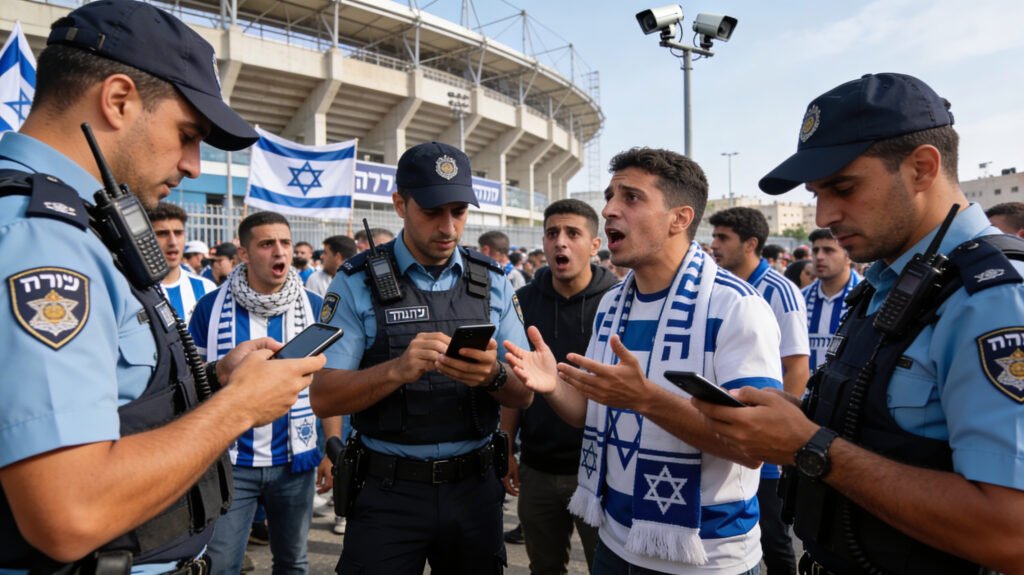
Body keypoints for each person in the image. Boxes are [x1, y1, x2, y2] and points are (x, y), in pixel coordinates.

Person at [0, 1, 325, 572]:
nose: (194, 165)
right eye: (187, 134)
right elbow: (69, 511)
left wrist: (214, 380)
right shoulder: (42, 236)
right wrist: (237, 408)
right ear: (118, 100)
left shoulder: (76, 222)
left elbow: (115, 399)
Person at [695, 73, 1024, 574]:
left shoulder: (995, 299)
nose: (824, 215)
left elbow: (1010, 533)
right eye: (816, 194)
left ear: (922, 168)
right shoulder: (894, 279)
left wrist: (807, 445)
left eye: (843, 188)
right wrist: (797, 420)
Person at [505, 147, 781, 575]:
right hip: (616, 541)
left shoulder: (736, 307)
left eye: (631, 197)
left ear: (680, 218)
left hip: (705, 558)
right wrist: (553, 385)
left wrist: (645, 399)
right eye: (610, 196)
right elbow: (588, 413)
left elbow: (755, 446)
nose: (609, 210)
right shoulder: (613, 304)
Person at [310, 141, 533, 575]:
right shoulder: (355, 282)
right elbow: (324, 397)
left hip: (473, 492)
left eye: (459, 212)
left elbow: (524, 394)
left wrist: (492, 375)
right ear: (400, 204)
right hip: (387, 493)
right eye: (432, 211)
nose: (448, 227)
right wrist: (395, 371)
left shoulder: (494, 281)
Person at [189, 212, 333, 575]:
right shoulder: (209, 307)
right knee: (221, 564)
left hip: (295, 464)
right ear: (244, 253)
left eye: (285, 242)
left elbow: (328, 385)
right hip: (229, 464)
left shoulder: (315, 307)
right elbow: (193, 381)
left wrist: (331, 448)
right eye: (267, 244)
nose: (279, 251)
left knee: (294, 562)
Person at [501, 198, 617, 575]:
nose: (560, 242)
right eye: (552, 233)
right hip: (538, 467)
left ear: (595, 244)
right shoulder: (523, 302)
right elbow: (513, 381)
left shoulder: (617, 302)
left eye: (572, 233)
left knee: (608, 567)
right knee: (544, 567)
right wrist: (507, 447)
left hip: (603, 472)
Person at [708, 206, 809, 575]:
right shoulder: (718, 288)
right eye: (714, 236)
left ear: (750, 244)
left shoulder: (780, 290)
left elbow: (796, 366)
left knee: (774, 538)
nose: (714, 245)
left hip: (762, 443)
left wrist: (776, 435)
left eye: (723, 238)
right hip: (728, 435)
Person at [802, 228, 860, 373]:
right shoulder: (800, 299)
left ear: (848, 256)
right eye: (815, 250)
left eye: (828, 250)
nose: (819, 257)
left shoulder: (867, 297)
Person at [148, 202, 216, 322]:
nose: (173, 242)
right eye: (163, 234)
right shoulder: (131, 291)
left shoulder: (207, 288)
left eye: (178, 233)